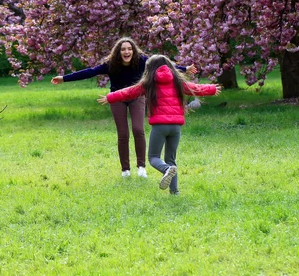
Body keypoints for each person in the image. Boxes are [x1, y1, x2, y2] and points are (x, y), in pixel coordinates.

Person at [51, 38, 196, 178]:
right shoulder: (110, 64)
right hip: (117, 98)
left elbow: (163, 65)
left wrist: (185, 69)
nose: (126, 52)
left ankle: (141, 167)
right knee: (123, 134)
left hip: (136, 97)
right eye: (123, 49)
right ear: (118, 52)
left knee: (138, 130)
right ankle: (125, 169)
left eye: (129, 49)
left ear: (133, 51)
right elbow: (89, 72)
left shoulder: (142, 61)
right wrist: (64, 78)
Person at [97, 54, 221, 194]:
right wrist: (212, 88)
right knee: (171, 159)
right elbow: (195, 88)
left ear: (149, 69)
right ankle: (174, 192)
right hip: (176, 127)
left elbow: (129, 92)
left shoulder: (148, 83)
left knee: (153, 157)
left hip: (159, 126)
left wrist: (110, 97)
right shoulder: (177, 82)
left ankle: (166, 170)